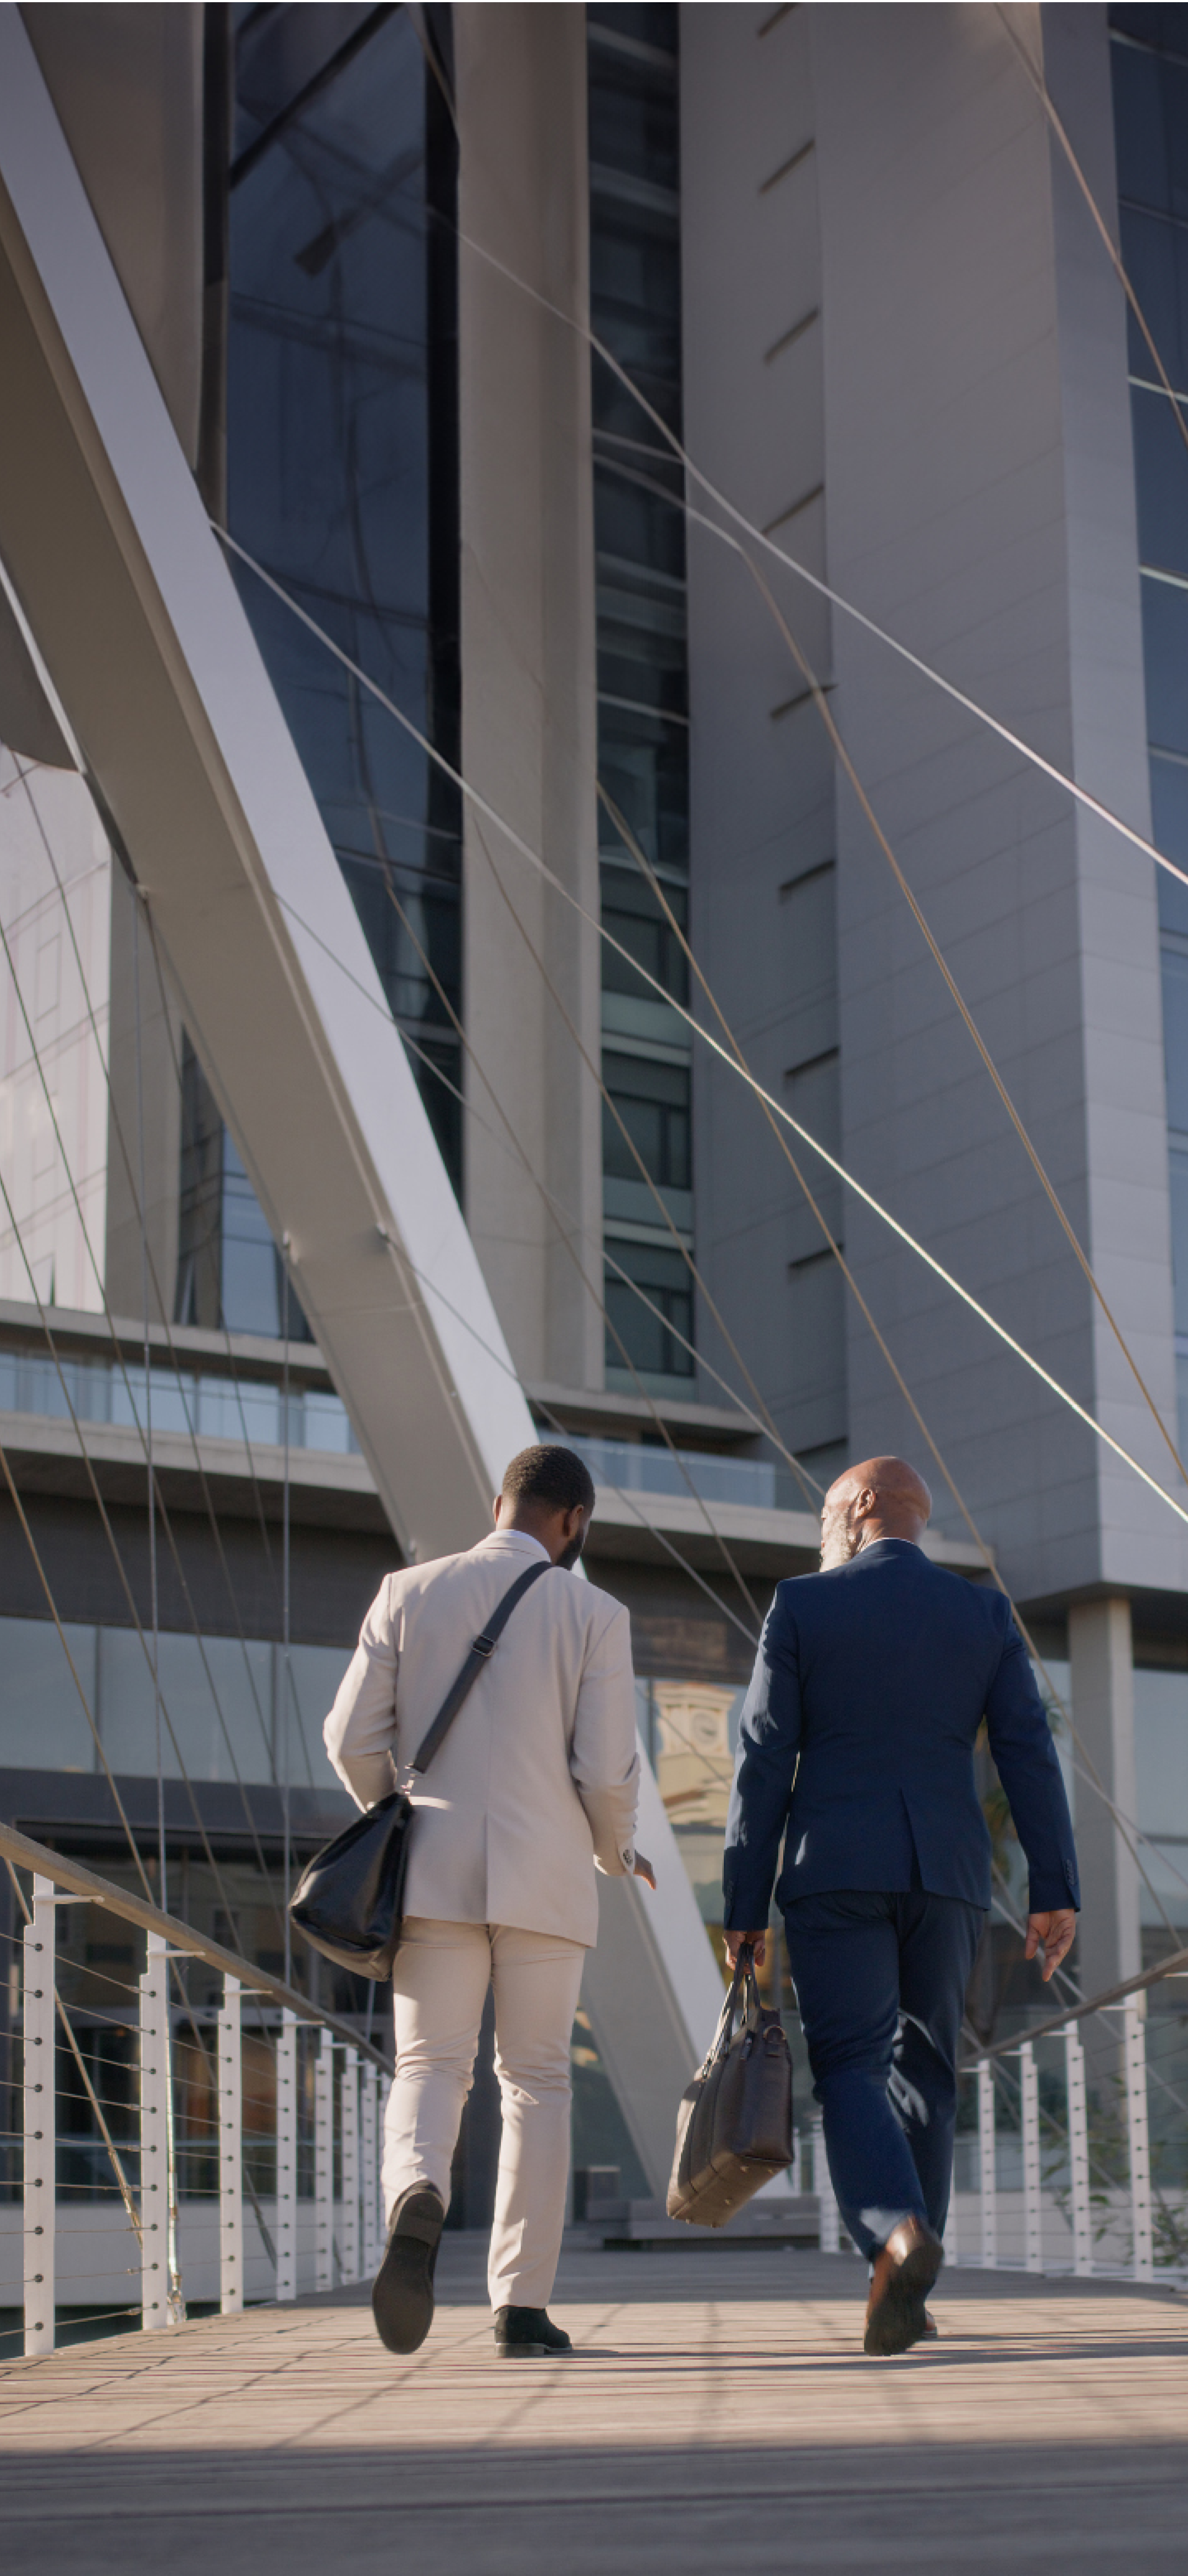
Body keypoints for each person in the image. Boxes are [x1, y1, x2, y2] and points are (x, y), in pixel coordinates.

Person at [722, 1455, 1079, 2356]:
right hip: (947, 1874)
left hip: (835, 1868)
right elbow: (1028, 1751)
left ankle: (894, 2231)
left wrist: (744, 1899)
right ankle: (905, 2291)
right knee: (928, 2072)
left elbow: (764, 1758)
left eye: (829, 1511)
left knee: (849, 2064)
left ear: (865, 1505)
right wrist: (1054, 1887)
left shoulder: (802, 1604)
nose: (826, 1529)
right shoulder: (983, 1613)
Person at [324, 1442, 654, 2360]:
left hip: (431, 1870)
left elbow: (348, 1737)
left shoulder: (407, 1591)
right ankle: (521, 2305)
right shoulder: (596, 1612)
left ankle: (417, 2189)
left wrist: (399, 1817)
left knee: (431, 2063)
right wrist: (614, 1849)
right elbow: (605, 1768)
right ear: (574, 1520)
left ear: (499, 1501)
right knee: (537, 2081)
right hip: (546, 1876)